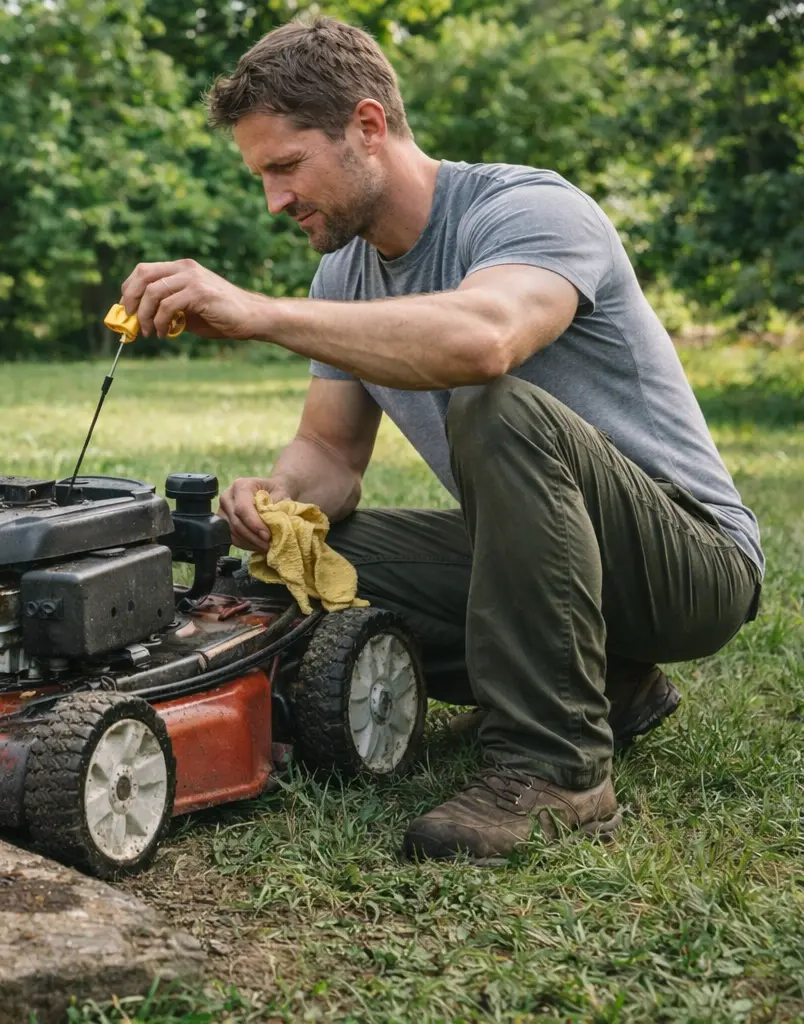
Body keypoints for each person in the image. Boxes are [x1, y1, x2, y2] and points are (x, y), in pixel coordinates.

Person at [117, 15, 764, 863]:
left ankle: (558, 767)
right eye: (262, 176)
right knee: (296, 562)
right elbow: (332, 457)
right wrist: (277, 505)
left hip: (691, 563)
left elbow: (484, 341)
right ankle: (608, 683)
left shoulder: (528, 207)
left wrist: (260, 314)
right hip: (552, 560)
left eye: (285, 167)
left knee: (496, 407)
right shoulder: (343, 273)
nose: (275, 200)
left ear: (368, 126)